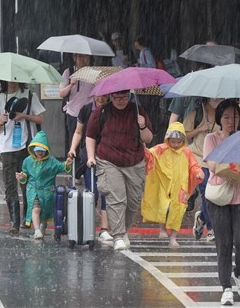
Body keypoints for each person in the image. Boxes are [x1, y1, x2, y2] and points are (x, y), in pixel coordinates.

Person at [86, 90, 153, 250]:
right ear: (111, 96)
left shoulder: (138, 110)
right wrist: (90, 156)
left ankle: (123, 231)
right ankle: (117, 236)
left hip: (134, 161)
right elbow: (90, 136)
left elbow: (148, 139)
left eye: (124, 97)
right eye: (117, 98)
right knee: (117, 198)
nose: (121, 101)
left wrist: (142, 126)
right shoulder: (101, 112)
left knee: (133, 201)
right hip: (108, 160)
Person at [203, 99, 240, 305]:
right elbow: (213, 165)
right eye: (227, 117)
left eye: (235, 117)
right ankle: (226, 287)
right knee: (223, 244)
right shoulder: (211, 138)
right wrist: (233, 168)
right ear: (220, 119)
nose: (231, 121)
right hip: (219, 199)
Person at [0, 81, 45, 234]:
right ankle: (14, 221)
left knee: (27, 185)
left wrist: (24, 116)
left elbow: (40, 119)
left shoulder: (29, 95)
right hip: (7, 149)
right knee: (10, 186)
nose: (11, 81)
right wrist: (1, 121)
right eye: (8, 79)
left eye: (14, 78)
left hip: (26, 147)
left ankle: (27, 220)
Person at [141, 122, 204, 247]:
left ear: (183, 141)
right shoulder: (161, 149)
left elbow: (194, 165)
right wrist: (143, 148)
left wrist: (198, 172)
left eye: (178, 142)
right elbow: (150, 156)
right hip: (163, 185)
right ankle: (163, 229)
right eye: (173, 141)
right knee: (163, 207)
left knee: (178, 210)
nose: (175, 145)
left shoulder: (186, 152)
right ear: (167, 139)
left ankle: (173, 237)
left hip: (180, 187)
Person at [68, 94, 113, 244]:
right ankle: (88, 226)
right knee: (92, 192)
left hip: (107, 154)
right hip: (89, 156)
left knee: (106, 192)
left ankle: (104, 229)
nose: (102, 98)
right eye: (99, 96)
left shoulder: (111, 110)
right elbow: (78, 131)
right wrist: (73, 148)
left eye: (105, 96)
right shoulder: (86, 109)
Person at [16, 131, 72, 240]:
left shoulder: (51, 162)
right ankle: (37, 230)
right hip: (33, 191)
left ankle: (43, 225)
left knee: (45, 212)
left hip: (47, 193)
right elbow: (25, 174)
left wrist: (67, 164)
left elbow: (61, 167)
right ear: (33, 149)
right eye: (38, 150)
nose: (40, 153)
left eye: (42, 150)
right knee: (35, 209)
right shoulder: (27, 161)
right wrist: (22, 177)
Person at [183, 98, 223, 242]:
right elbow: (184, 135)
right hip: (198, 158)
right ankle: (212, 228)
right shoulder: (196, 113)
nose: (217, 100)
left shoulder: (224, 114)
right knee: (206, 191)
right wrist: (200, 129)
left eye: (220, 97)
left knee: (215, 193)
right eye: (213, 97)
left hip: (217, 160)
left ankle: (201, 218)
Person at [59, 53, 95, 156]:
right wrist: (71, 84)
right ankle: (74, 167)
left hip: (89, 113)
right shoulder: (69, 72)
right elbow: (61, 93)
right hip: (73, 113)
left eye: (86, 56)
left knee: (88, 140)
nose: (83, 59)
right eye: (80, 56)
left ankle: (86, 166)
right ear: (74, 58)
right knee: (73, 142)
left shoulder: (93, 73)